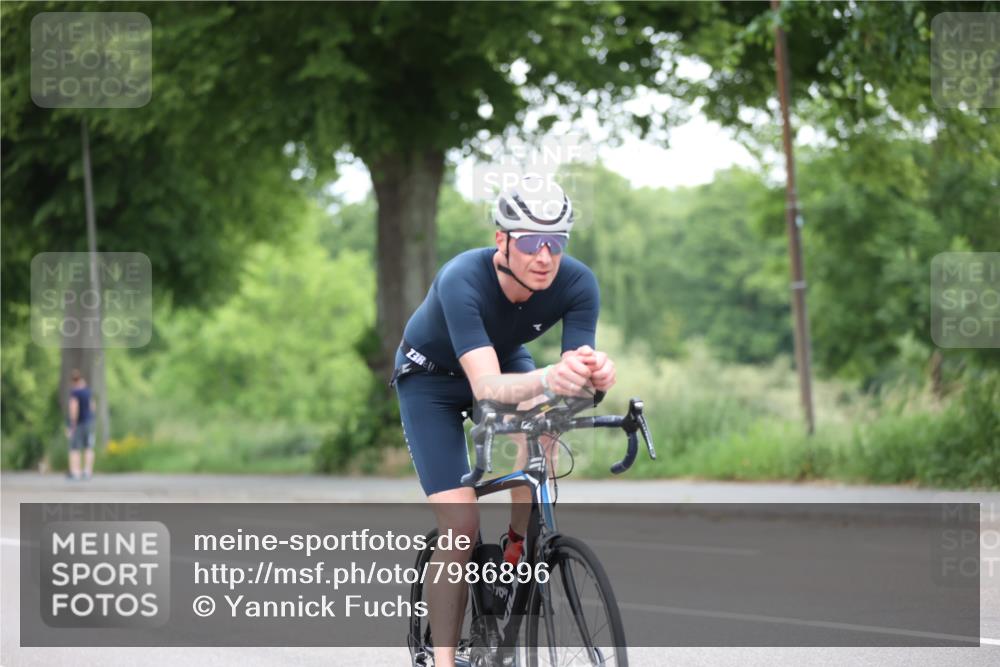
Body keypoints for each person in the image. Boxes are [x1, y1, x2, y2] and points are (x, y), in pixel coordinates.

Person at [391, 175, 616, 667]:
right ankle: (446, 660)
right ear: (502, 240)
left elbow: (572, 385)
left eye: (556, 243)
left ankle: (518, 545)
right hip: (431, 381)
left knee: (548, 425)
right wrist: (553, 377)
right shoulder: (462, 278)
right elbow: (487, 390)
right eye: (532, 242)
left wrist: (596, 377)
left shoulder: (577, 283)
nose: (544, 256)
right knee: (461, 529)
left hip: (503, 359)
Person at [65, 368, 97, 481]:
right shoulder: (88, 391)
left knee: (75, 448)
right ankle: (87, 472)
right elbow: (93, 406)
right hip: (89, 422)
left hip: (78, 424)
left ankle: (75, 472)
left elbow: (74, 408)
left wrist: (72, 424)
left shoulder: (75, 392)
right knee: (88, 447)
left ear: (73, 381)